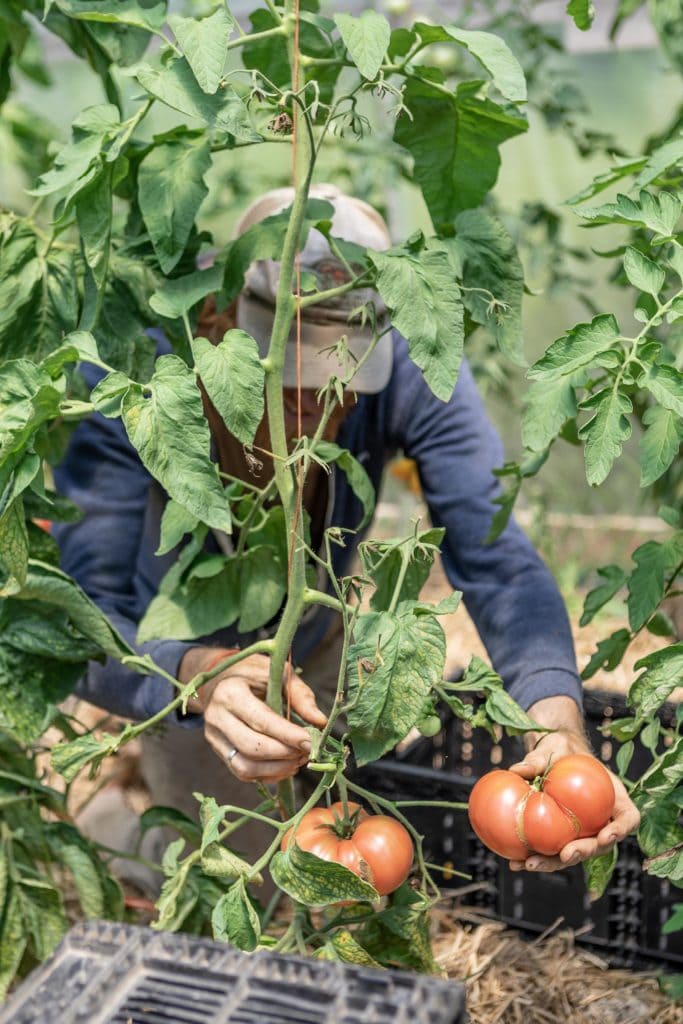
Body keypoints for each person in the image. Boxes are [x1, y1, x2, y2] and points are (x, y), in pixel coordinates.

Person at [54, 184, 639, 887]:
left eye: (342, 378)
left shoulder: (411, 363)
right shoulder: (134, 375)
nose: (314, 404)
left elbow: (496, 558)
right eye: (291, 375)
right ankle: (117, 820)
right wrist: (190, 678)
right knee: (241, 879)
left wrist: (556, 729)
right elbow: (83, 626)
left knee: (338, 869)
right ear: (219, 315)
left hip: (315, 636)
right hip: (173, 653)